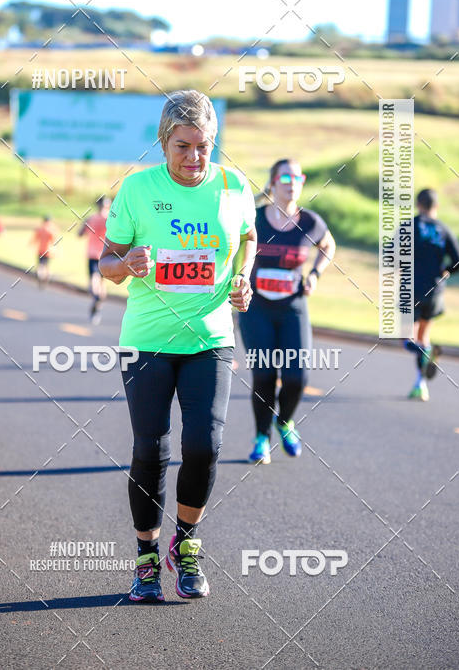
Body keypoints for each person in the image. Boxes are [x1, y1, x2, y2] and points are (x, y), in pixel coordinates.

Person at [99, 90, 256, 603]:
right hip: (147, 341)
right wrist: (127, 265)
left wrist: (243, 276)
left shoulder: (234, 186)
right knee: (151, 450)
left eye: (203, 147)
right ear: (164, 143)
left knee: (204, 447)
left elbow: (249, 236)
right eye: (182, 146)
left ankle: (185, 546)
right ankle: (146, 557)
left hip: (209, 338)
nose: (193, 158)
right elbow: (106, 263)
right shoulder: (138, 188)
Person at [237, 159, 335, 464]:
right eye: (285, 177)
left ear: (302, 182)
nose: (291, 182)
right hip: (257, 308)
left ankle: (285, 423)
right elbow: (231, 245)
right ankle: (261, 438)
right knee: (264, 372)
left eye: (296, 177)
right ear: (273, 182)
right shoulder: (254, 219)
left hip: (293, 307)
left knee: (297, 377)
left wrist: (315, 273)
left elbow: (328, 246)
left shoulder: (311, 223)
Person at [404, 189, 459, 401]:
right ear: (436, 207)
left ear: (418, 205)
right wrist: (446, 270)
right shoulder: (443, 230)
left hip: (412, 289)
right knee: (423, 337)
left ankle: (424, 353)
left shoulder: (409, 226)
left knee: (408, 339)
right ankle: (420, 385)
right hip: (435, 290)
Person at [78, 196, 111, 324]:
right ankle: (97, 306)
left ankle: (95, 307)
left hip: (94, 255)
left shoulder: (91, 218)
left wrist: (86, 223)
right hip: (106, 256)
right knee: (100, 285)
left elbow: (79, 234)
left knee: (94, 285)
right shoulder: (112, 219)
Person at [31, 216, 58, 287]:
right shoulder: (51, 230)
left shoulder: (40, 229)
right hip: (48, 251)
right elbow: (54, 241)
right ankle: (45, 278)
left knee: (40, 265)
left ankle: (40, 276)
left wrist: (31, 244)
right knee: (46, 265)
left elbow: (35, 238)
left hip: (41, 250)